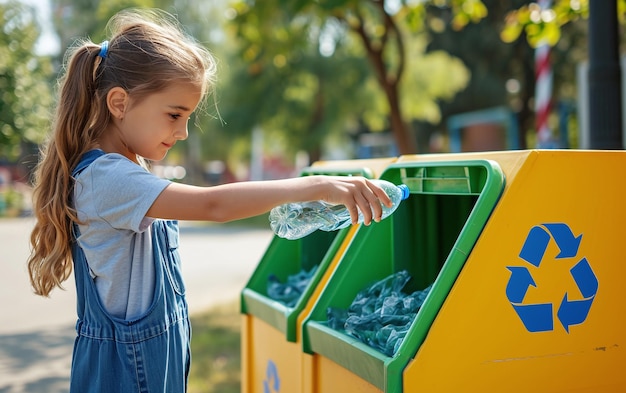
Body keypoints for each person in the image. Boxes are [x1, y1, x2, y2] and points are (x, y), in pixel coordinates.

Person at [26, 8, 392, 393]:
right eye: (174, 114)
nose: (183, 132)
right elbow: (213, 206)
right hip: (124, 375)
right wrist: (315, 185)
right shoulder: (109, 178)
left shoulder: (126, 170)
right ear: (119, 103)